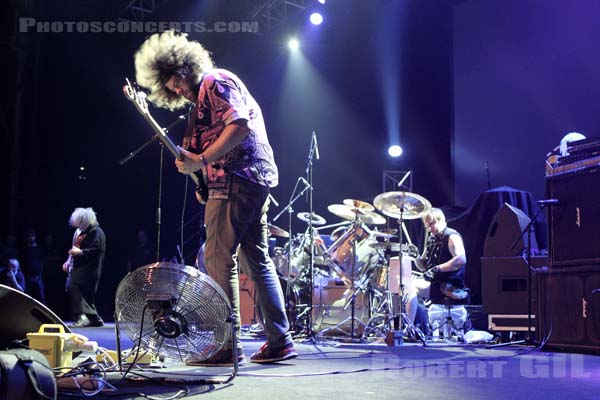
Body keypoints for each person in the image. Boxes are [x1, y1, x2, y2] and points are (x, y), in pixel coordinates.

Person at [134, 30, 296, 365]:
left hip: (238, 180)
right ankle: (281, 341)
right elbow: (201, 150)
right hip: (253, 179)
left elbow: (239, 126)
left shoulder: (215, 81)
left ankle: (227, 345)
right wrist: (198, 173)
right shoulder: (203, 99)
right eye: (169, 85)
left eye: (176, 78)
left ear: (186, 65)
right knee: (258, 260)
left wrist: (202, 161)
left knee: (218, 258)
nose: (176, 87)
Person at [62, 207, 106, 328]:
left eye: (80, 223)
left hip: (89, 268)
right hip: (79, 267)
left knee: (72, 286)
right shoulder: (81, 233)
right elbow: (74, 247)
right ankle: (94, 318)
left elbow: (97, 249)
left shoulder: (96, 232)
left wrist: (80, 252)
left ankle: (81, 316)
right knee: (82, 292)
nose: (78, 226)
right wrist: (69, 260)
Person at [416, 208, 469, 303]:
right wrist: (416, 257)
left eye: (431, 224)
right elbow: (423, 266)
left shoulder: (451, 236)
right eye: (427, 225)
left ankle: (415, 317)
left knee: (408, 286)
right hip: (435, 285)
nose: (429, 228)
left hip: (450, 287)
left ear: (440, 220)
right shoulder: (431, 239)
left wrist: (438, 269)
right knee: (404, 284)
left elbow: (461, 259)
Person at [22, 230, 46, 304]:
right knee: (27, 297)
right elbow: (23, 262)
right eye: (29, 236)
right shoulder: (25, 249)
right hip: (28, 277)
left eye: (32, 236)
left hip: (38, 277)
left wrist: (40, 274)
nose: (30, 238)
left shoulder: (39, 248)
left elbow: (42, 262)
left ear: (35, 237)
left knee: (41, 297)